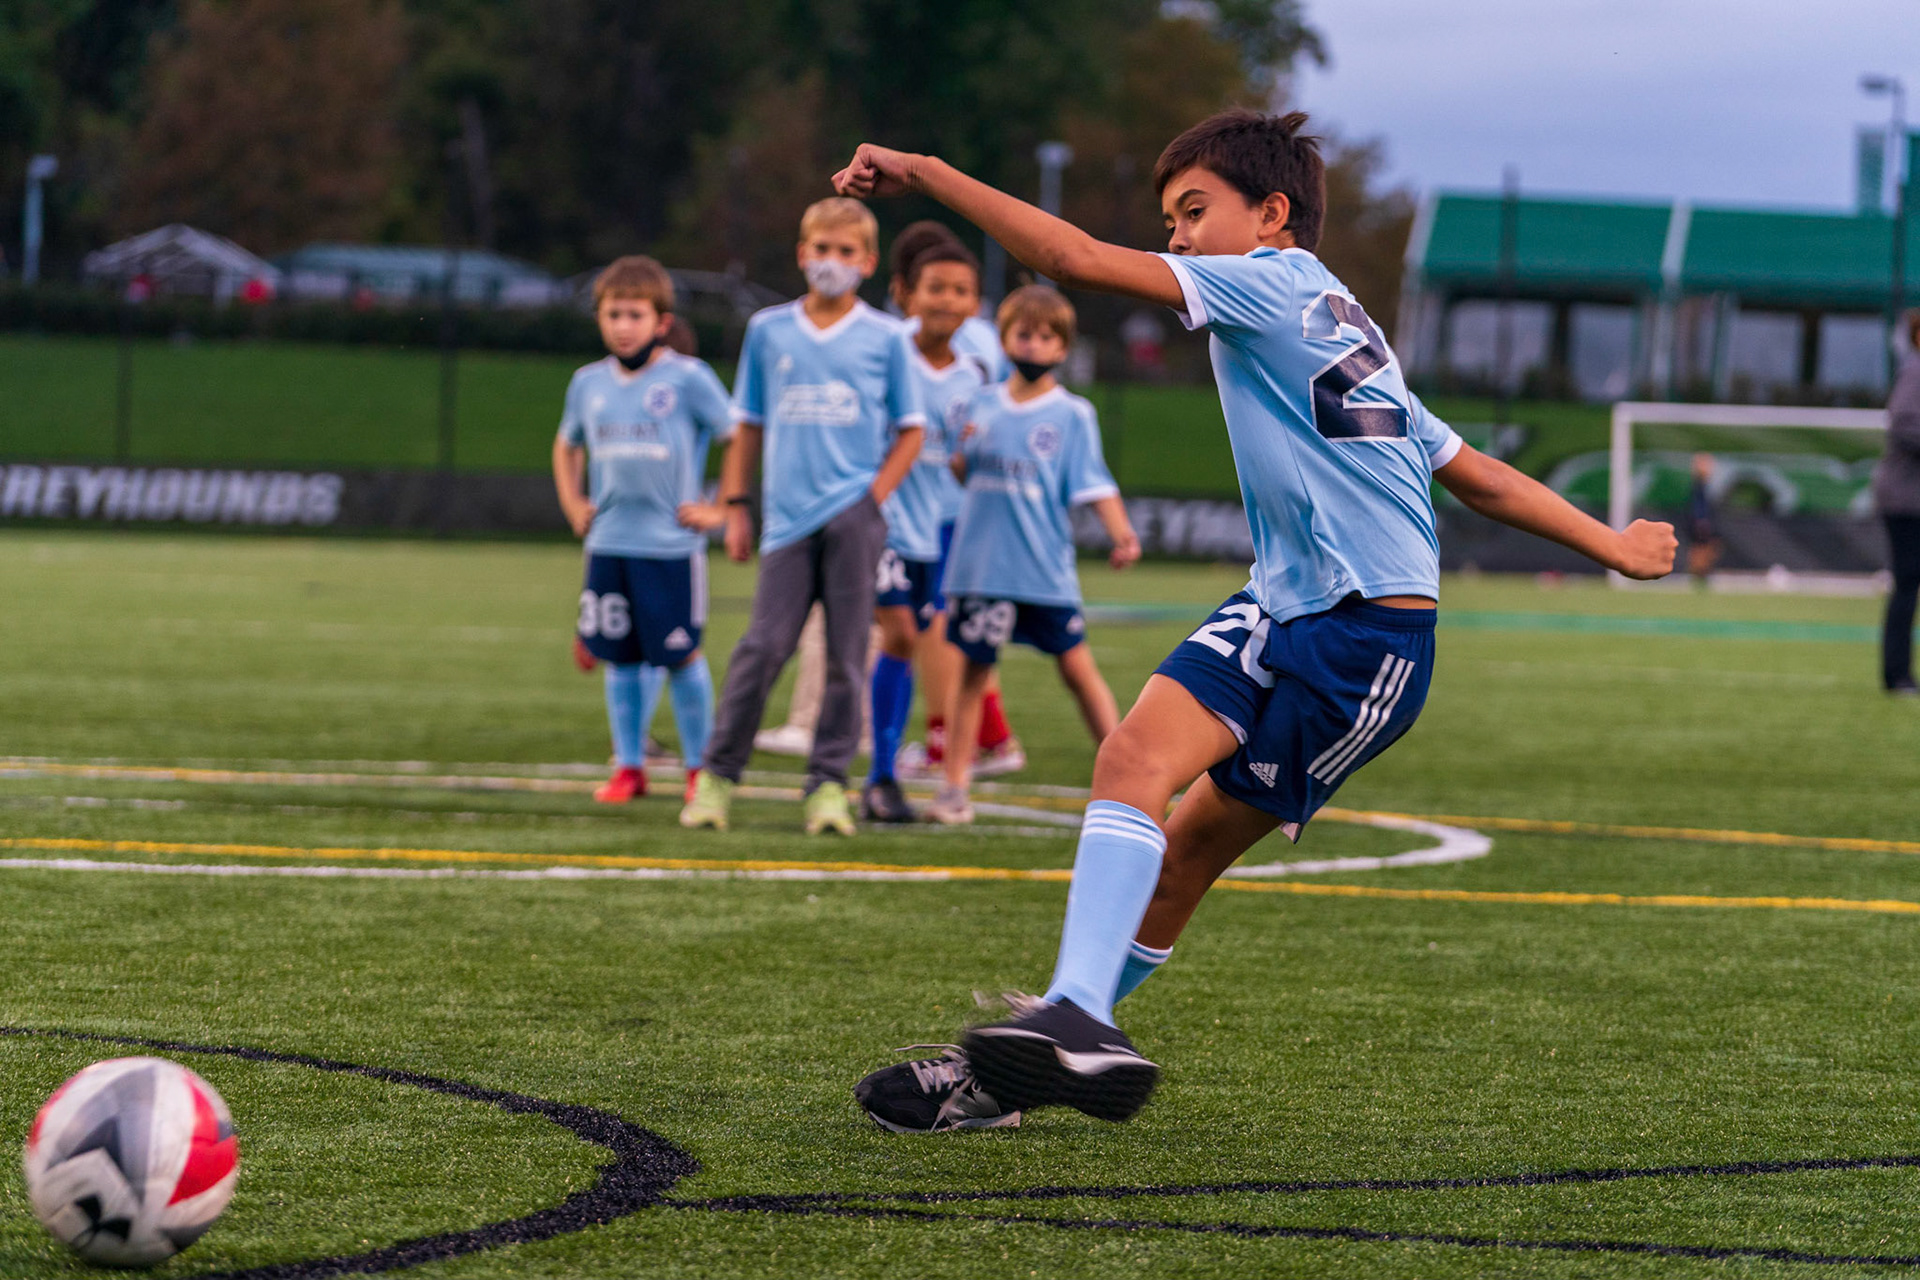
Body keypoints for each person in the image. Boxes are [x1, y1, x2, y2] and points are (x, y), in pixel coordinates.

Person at [838, 108, 1675, 1132]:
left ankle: (1029, 1054)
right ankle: (1068, 1020)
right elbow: (1475, 474)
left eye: (1194, 211)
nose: (1179, 236)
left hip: (1367, 640)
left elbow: (1070, 257)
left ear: (1272, 215)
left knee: (1187, 852)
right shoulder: (1341, 314)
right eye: (1172, 217)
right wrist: (1613, 542)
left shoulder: (1273, 281)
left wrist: (925, 165)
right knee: (1131, 760)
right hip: (1280, 601)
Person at [680, 198, 926, 835]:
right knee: (762, 649)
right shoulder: (769, 330)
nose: (832, 263)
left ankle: (827, 786)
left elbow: (911, 430)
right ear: (801, 253)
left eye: (846, 252)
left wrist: (873, 499)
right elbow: (747, 425)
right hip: (785, 523)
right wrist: (735, 506)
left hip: (856, 519)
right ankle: (715, 778)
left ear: (868, 263)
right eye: (822, 249)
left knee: (847, 658)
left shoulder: (887, 338)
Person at [928, 285, 1140, 826]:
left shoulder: (1072, 415)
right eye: (1024, 334)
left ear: (1062, 349)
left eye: (1047, 337)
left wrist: (1122, 535)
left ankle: (1132, 779)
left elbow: (1094, 484)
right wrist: (963, 450)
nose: (1034, 344)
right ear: (1004, 340)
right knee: (973, 674)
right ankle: (954, 786)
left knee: (1077, 669)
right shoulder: (978, 403)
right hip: (982, 568)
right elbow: (961, 471)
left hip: (1043, 570)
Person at [553, 257, 730, 805]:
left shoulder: (688, 378)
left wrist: (721, 506)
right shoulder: (587, 383)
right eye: (612, 314)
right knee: (620, 658)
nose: (622, 325)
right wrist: (572, 500)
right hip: (609, 543)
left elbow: (739, 434)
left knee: (680, 656)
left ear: (661, 321)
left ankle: (700, 770)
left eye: (634, 314)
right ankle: (629, 766)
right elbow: (566, 443)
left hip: (670, 548)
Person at [863, 240, 992, 822]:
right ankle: (879, 773)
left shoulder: (976, 378)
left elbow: (969, 460)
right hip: (886, 526)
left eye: (960, 290)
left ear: (975, 304)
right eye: (934, 287)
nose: (947, 300)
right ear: (904, 295)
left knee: (929, 644)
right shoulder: (886, 360)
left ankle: (937, 768)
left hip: (945, 534)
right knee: (897, 637)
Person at [1873, 309, 1920, 695]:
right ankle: (1897, 675)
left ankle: (1899, 674)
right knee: (1906, 583)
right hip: (1906, 501)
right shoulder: (1916, 371)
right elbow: (1903, 422)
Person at [1685, 452, 1722, 586]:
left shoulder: (1704, 485)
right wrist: (1701, 521)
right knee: (1701, 548)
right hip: (1701, 522)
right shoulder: (1699, 485)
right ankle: (1698, 575)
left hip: (1703, 521)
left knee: (1708, 548)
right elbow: (1698, 506)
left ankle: (1701, 574)